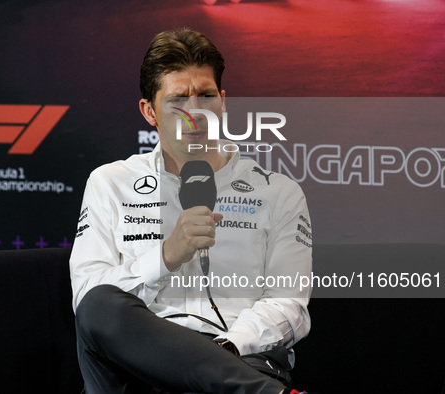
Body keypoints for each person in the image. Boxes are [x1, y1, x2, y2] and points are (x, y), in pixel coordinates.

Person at [70, 28, 313, 394]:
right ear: (149, 111)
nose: (195, 112)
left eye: (206, 96)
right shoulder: (110, 183)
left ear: (223, 101)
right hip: (141, 364)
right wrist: (165, 257)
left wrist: (224, 350)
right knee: (99, 303)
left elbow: (289, 304)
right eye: (178, 99)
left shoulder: (278, 192)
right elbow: (88, 300)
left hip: (239, 357)